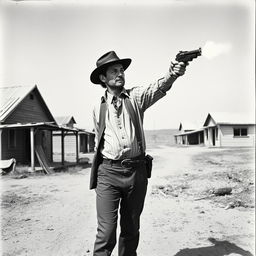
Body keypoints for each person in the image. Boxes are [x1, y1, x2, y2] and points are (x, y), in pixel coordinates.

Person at [89, 50, 187, 256]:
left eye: (122, 70)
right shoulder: (97, 107)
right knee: (106, 232)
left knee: (131, 229)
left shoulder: (135, 97)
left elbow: (159, 86)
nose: (120, 74)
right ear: (102, 78)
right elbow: (100, 139)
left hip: (136, 172)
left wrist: (173, 73)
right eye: (114, 70)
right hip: (108, 172)